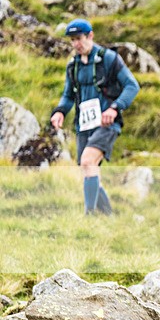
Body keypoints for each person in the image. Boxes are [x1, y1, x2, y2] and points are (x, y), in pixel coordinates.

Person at [50, 18, 140, 214]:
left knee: (88, 162)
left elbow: (132, 86)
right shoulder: (73, 65)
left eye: (79, 39)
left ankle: (88, 216)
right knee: (88, 171)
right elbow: (68, 95)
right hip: (84, 125)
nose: (76, 44)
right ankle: (109, 218)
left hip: (107, 123)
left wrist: (115, 108)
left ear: (90, 36)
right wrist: (59, 112)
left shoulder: (109, 59)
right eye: (72, 40)